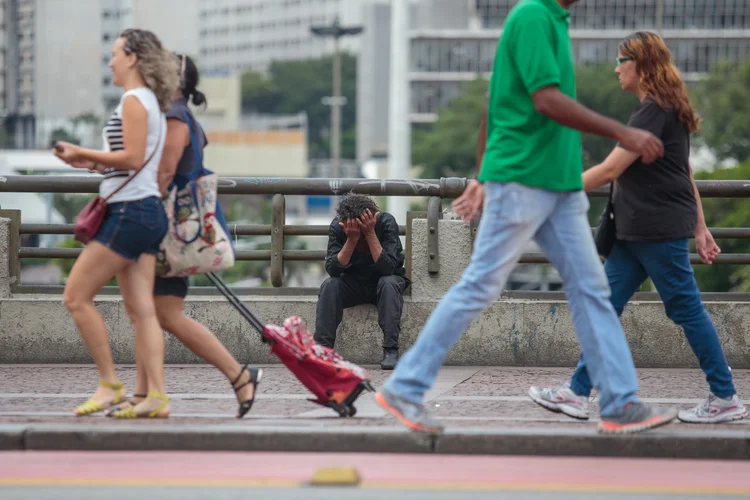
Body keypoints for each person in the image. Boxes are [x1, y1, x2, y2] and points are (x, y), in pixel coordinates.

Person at [375, 0, 678, 435]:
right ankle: (405, 386)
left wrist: (481, 173)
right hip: (523, 180)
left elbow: (493, 99)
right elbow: (545, 100)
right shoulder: (533, 15)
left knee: (593, 291)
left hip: (558, 185)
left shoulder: (552, 19)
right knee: (482, 283)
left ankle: (619, 402)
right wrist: (622, 131)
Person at [528, 31, 747, 424]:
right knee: (605, 307)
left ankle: (725, 396)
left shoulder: (653, 110)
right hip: (636, 231)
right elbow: (685, 170)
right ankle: (577, 393)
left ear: (640, 65)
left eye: (621, 61)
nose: (616, 69)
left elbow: (611, 168)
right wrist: (700, 225)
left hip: (656, 229)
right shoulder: (663, 107)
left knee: (686, 309)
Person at [106, 53, 263, 419]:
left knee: (162, 313)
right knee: (153, 311)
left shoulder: (176, 115)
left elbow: (165, 175)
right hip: (174, 228)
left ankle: (238, 375)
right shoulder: (176, 112)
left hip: (168, 228)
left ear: (173, 78)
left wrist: (141, 216)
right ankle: (144, 394)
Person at [53, 29, 177, 418]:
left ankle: (110, 383)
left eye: (115, 53)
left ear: (133, 58)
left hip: (129, 211)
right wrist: (90, 162)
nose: (110, 61)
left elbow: (134, 158)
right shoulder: (147, 101)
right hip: (144, 210)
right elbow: (132, 161)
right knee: (142, 310)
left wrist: (80, 151)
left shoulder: (133, 101)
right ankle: (156, 396)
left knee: (75, 296)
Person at [314, 194, 409, 370]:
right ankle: (322, 351)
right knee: (329, 285)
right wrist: (352, 239)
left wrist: (370, 233)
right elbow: (333, 270)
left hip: (385, 281)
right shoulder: (338, 227)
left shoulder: (386, 222)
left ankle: (391, 350)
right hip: (354, 283)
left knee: (388, 283)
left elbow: (388, 267)